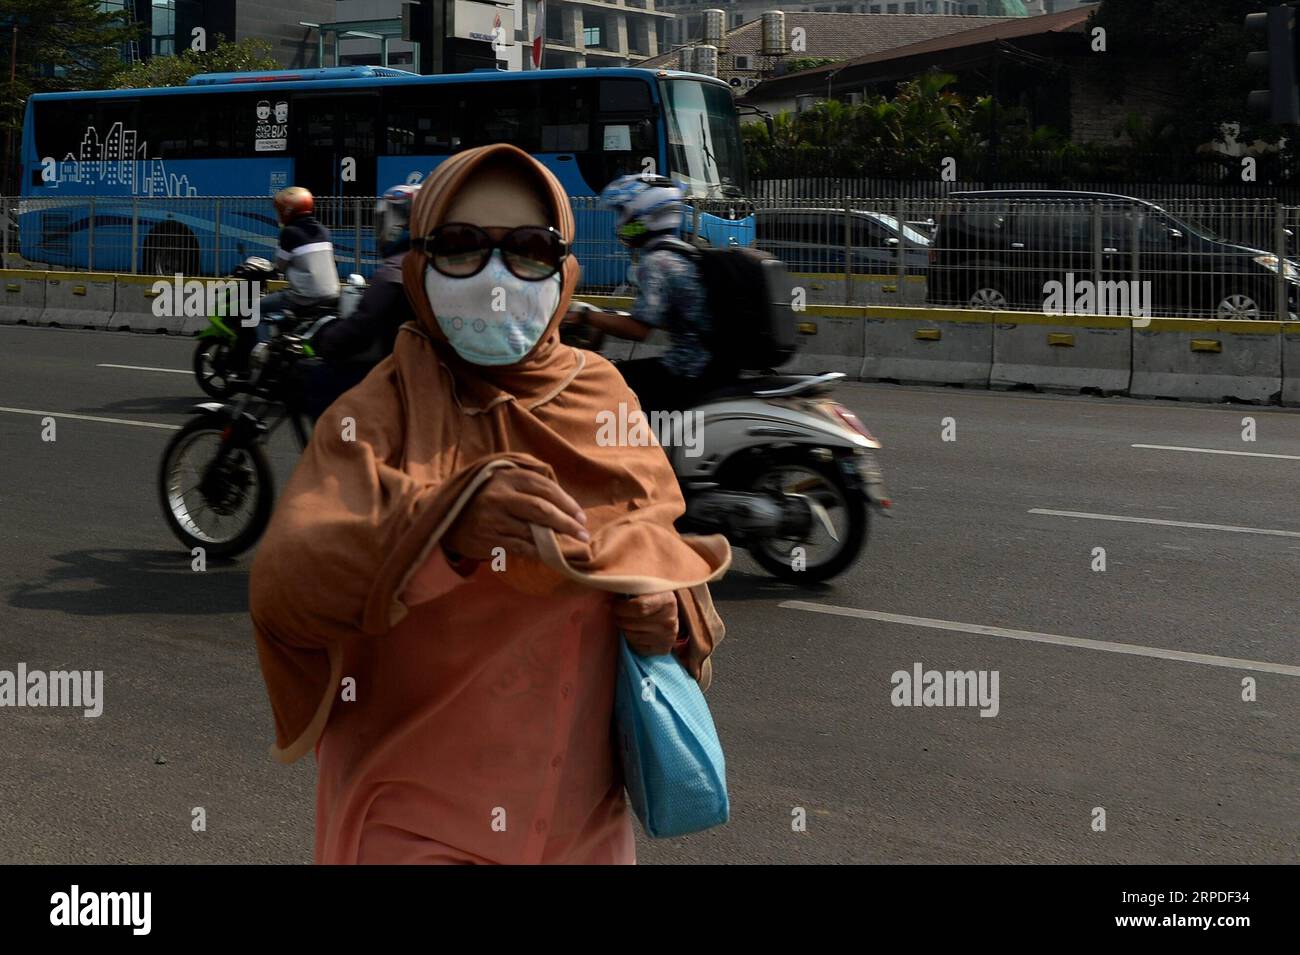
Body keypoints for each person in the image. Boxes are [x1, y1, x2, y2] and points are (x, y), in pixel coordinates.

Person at [249, 144, 730, 865]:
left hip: (585, 826)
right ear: (419, 262)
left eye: (530, 249)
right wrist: (442, 525)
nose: (497, 276)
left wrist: (670, 615)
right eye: (462, 245)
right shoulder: (379, 411)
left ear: (565, 269)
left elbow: (664, 545)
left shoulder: (604, 394)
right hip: (415, 823)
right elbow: (288, 585)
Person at [578, 174, 728, 416]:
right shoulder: (685, 252)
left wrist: (584, 314)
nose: (619, 223)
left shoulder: (656, 261)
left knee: (607, 384)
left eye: (623, 213)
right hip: (713, 364)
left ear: (645, 216)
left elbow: (639, 330)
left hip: (688, 368)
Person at [301, 183, 421, 418]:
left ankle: (336, 451)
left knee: (314, 380)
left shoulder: (396, 269)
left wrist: (326, 342)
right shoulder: (434, 264)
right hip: (421, 370)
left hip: (399, 372)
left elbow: (363, 323)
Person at [230, 186, 340, 375]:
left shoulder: (290, 233)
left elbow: (279, 267)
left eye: (281, 210)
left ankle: (263, 357)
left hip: (304, 297)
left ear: (288, 211)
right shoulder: (324, 230)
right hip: (332, 295)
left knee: (255, 309)